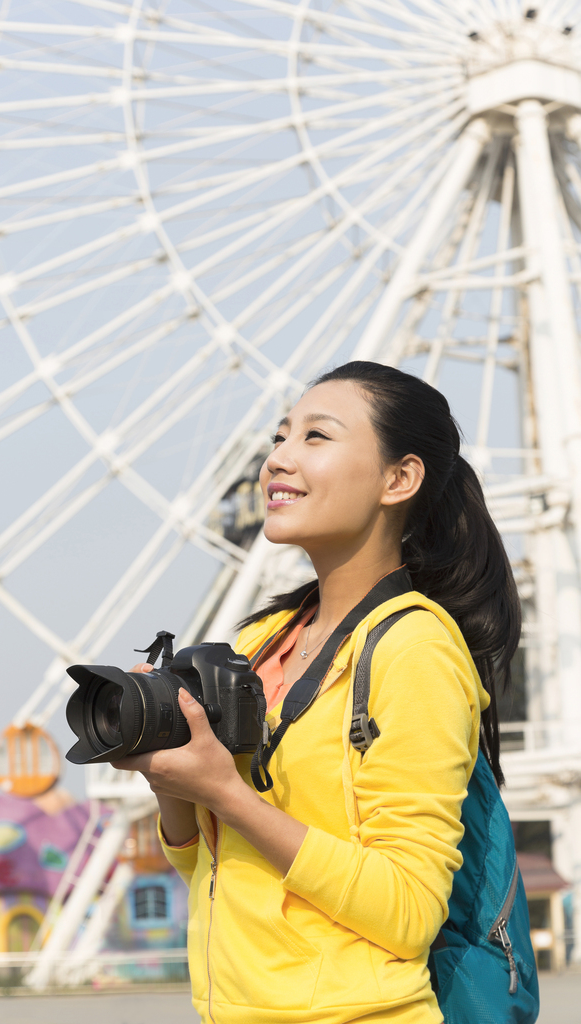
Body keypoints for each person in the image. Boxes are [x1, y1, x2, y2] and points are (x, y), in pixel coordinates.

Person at [113, 361, 520, 1024]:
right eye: (279, 437)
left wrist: (226, 793)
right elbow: (211, 872)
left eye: (315, 438)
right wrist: (171, 778)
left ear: (399, 479)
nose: (278, 458)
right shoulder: (259, 641)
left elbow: (409, 911)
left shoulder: (413, 648)